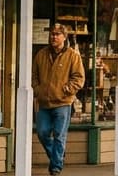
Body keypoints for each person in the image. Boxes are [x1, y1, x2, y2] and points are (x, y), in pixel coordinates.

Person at [34, 23, 85, 176]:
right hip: (44, 102)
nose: (54, 37)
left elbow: (79, 78)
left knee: (59, 134)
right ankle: (58, 156)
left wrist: (67, 89)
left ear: (64, 37)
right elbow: (34, 76)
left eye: (57, 34)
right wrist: (38, 89)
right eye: (52, 34)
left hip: (63, 102)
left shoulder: (72, 55)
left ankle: (56, 167)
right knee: (42, 132)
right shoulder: (41, 54)